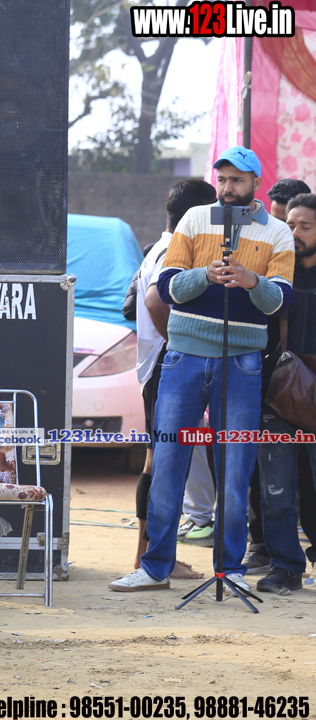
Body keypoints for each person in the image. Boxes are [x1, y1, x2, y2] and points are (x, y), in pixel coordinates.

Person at [109, 146, 294, 594]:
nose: (228, 188)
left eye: (237, 180)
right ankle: (155, 567)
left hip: (242, 362)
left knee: (235, 468)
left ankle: (229, 572)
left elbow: (280, 301)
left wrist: (252, 281)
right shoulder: (193, 220)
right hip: (184, 357)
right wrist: (205, 276)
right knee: (169, 462)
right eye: (223, 179)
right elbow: (168, 287)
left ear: (255, 183)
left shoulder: (278, 233)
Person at [134, 179, 217, 574]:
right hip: (163, 365)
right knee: (160, 462)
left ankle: (149, 554)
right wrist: (179, 342)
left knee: (157, 460)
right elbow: (154, 301)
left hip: (154, 364)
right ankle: (149, 557)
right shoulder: (172, 250)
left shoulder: (159, 246)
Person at [245, 176, 313, 573]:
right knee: (275, 490)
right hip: (277, 394)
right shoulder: (273, 274)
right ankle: (285, 566)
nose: (295, 232)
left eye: (305, 226)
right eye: (289, 224)